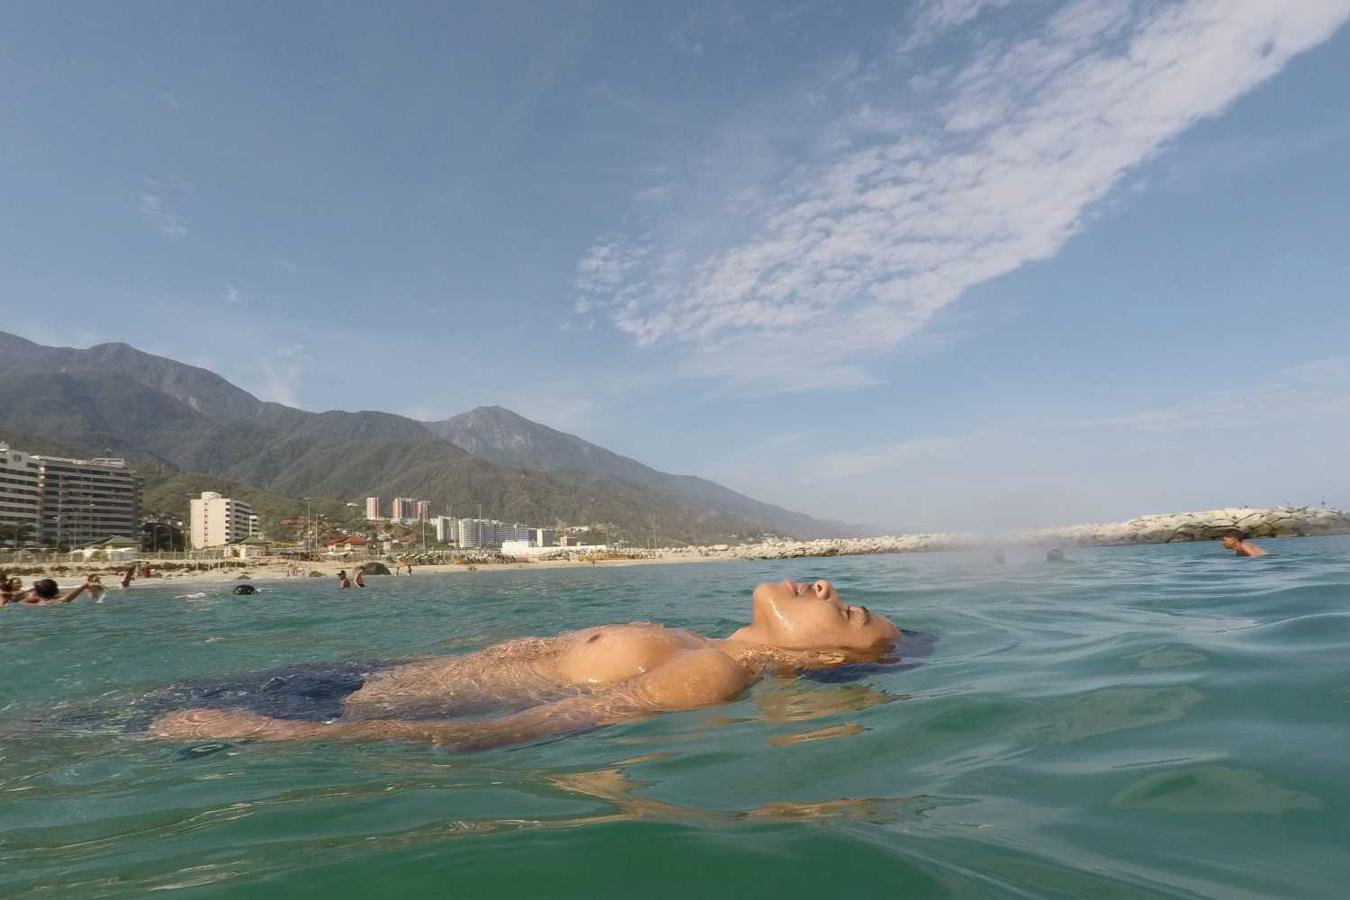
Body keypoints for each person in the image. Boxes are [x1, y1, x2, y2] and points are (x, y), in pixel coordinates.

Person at [148, 578, 900, 749]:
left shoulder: (714, 674)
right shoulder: (693, 637)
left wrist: (268, 732)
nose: (831, 587)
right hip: (349, 678)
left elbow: (529, 726)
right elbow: (515, 662)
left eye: (849, 611)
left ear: (829, 655)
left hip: (326, 712)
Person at [2, 575, 101, 606]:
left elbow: (19, 603)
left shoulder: (32, 603)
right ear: (55, 590)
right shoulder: (59, 601)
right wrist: (85, 586)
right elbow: (68, 597)